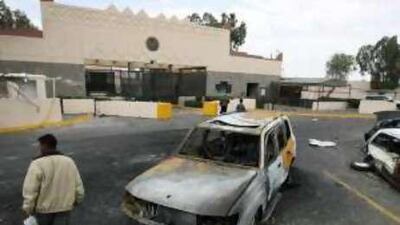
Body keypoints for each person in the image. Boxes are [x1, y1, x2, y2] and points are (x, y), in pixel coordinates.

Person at [22, 134, 84, 225]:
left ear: (43, 146)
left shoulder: (37, 164)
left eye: (40, 146)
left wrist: (28, 208)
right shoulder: (69, 161)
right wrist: (78, 199)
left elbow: (30, 189)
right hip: (64, 208)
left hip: (44, 210)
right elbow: (78, 184)